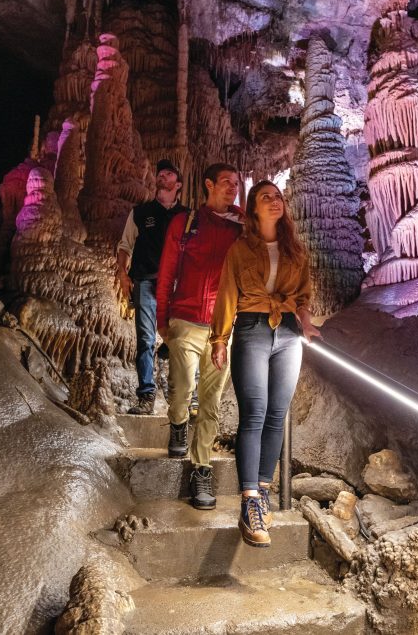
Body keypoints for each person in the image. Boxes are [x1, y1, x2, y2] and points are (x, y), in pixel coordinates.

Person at [210, 180, 321, 548]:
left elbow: (303, 297)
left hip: (288, 333)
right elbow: (227, 294)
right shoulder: (240, 250)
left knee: (277, 414)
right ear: (253, 209)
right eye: (266, 197)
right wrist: (219, 339)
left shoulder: (296, 251)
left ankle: (262, 490)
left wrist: (306, 323)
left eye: (278, 197)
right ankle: (248, 502)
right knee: (254, 413)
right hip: (252, 327)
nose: (275, 202)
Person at [156, 163, 243, 510]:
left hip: (222, 328)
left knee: (211, 402)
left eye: (236, 184)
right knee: (183, 392)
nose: (233, 189)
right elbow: (166, 273)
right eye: (226, 183)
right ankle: (177, 424)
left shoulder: (241, 227)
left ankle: (201, 468)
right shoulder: (186, 223)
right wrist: (163, 319)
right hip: (185, 321)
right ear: (208, 185)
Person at [116, 159, 185, 415]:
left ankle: (180, 392)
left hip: (177, 285)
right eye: (160, 173)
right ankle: (146, 395)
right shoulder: (141, 213)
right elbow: (125, 245)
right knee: (145, 339)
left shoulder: (185, 216)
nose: (162, 176)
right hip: (145, 280)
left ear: (177, 184)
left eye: (168, 174)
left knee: (179, 339)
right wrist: (123, 275)